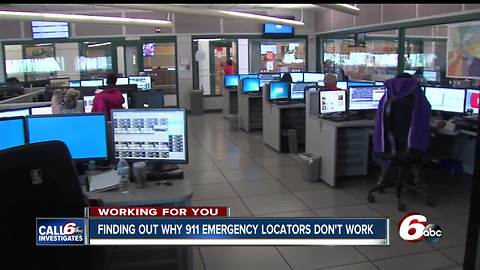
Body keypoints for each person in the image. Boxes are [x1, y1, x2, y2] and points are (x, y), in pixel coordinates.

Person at [373, 72, 432, 186]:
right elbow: (424, 121)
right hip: (414, 150)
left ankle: (383, 176)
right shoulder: (419, 100)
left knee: (381, 151)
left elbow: (380, 122)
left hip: (387, 150)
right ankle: (416, 179)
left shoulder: (386, 99)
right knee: (428, 145)